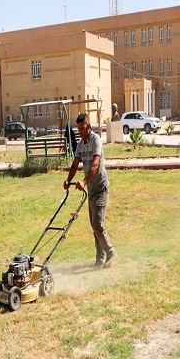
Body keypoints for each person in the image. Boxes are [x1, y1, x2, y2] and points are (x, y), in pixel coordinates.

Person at [63, 113, 116, 268]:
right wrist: (68, 180)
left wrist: (84, 181)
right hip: (91, 190)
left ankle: (111, 251)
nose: (79, 131)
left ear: (88, 125)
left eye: (82, 128)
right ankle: (99, 259)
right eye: (78, 128)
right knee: (94, 225)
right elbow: (74, 165)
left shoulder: (96, 140)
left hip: (100, 187)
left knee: (97, 223)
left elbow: (95, 165)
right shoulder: (80, 144)